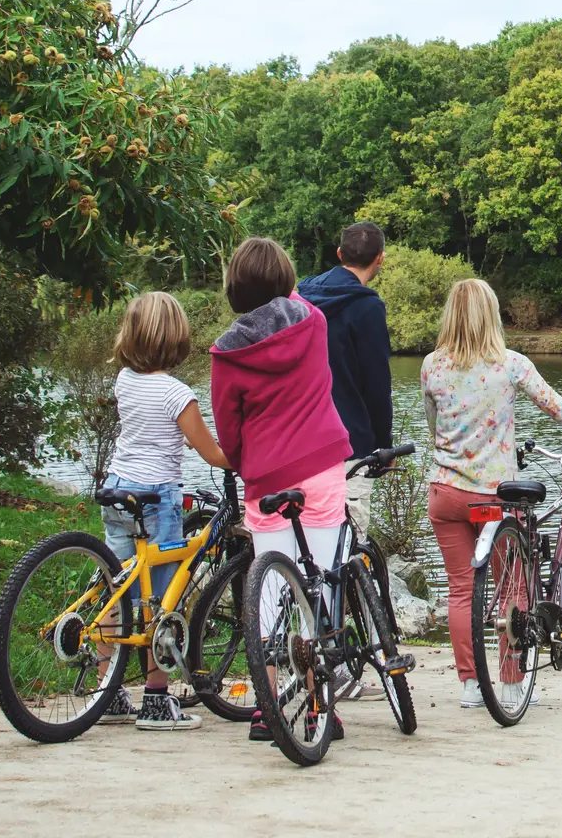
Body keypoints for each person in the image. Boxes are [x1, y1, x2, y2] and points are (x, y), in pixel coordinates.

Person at [421, 278, 562, 710]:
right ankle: (510, 685)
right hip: (495, 498)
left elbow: (433, 425)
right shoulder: (510, 364)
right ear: (491, 315)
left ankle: (469, 687)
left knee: (462, 590)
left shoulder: (431, 365)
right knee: (513, 590)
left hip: (445, 492)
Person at [209, 236, 354, 743]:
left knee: (270, 588)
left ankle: (266, 708)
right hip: (320, 468)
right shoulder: (313, 324)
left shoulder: (227, 351)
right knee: (321, 583)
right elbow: (295, 301)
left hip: (267, 478)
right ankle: (319, 707)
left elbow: (228, 428)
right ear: (288, 281)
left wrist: (245, 461)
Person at [99, 290, 232, 732]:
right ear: (176, 337)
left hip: (118, 491)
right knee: (160, 599)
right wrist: (250, 458)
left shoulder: (124, 380)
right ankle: (156, 698)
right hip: (157, 499)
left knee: (118, 590)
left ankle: (108, 692)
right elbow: (211, 452)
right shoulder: (177, 394)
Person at [296, 221, 393, 539]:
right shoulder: (368, 308)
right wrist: (383, 446)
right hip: (349, 443)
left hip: (300, 438)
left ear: (339, 253)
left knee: (305, 536)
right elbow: (377, 385)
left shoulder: (301, 295)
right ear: (379, 259)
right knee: (348, 538)